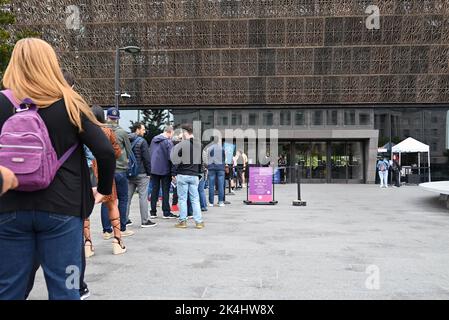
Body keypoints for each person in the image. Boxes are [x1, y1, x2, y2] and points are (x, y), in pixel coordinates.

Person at [0, 38, 116, 300]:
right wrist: (103, 189)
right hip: (63, 210)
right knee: (67, 287)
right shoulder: (71, 102)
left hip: (8, 210)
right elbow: (105, 152)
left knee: (7, 289)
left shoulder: (2, 102)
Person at [83, 106, 127, 257]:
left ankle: (87, 244)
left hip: (86, 173)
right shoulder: (108, 131)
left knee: (85, 209)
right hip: (104, 172)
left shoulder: (82, 130)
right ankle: (117, 241)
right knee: (112, 205)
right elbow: (116, 152)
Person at [103, 108, 134, 238]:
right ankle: (122, 228)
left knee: (107, 200)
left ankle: (106, 231)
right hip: (120, 170)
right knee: (123, 199)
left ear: (107, 117)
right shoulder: (122, 132)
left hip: (106, 170)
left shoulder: (102, 131)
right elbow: (129, 150)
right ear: (118, 118)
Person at [172, 125, 204, 229]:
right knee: (195, 199)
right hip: (194, 175)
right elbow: (201, 161)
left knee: (182, 199)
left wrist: (173, 173)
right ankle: (199, 222)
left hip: (183, 174)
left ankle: (183, 221)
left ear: (185, 132)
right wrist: (199, 173)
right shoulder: (199, 145)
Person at [126, 122, 156, 228]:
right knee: (143, 197)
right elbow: (147, 159)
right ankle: (145, 220)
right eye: (143, 129)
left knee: (127, 197)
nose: (144, 131)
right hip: (141, 173)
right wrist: (149, 173)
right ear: (137, 130)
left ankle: (125, 219)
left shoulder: (126, 140)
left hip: (129, 172)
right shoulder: (142, 142)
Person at [149, 125, 177, 219]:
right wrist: (174, 172)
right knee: (165, 191)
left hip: (154, 169)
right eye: (172, 134)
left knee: (154, 190)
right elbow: (172, 158)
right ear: (169, 132)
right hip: (165, 170)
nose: (172, 136)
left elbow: (150, 153)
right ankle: (166, 212)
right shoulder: (168, 142)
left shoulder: (154, 140)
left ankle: (153, 212)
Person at [205, 140, 226, 207]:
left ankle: (211, 202)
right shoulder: (222, 148)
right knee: (221, 185)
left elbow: (207, 158)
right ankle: (220, 202)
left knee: (211, 185)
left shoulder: (209, 149)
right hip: (220, 168)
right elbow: (224, 158)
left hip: (211, 167)